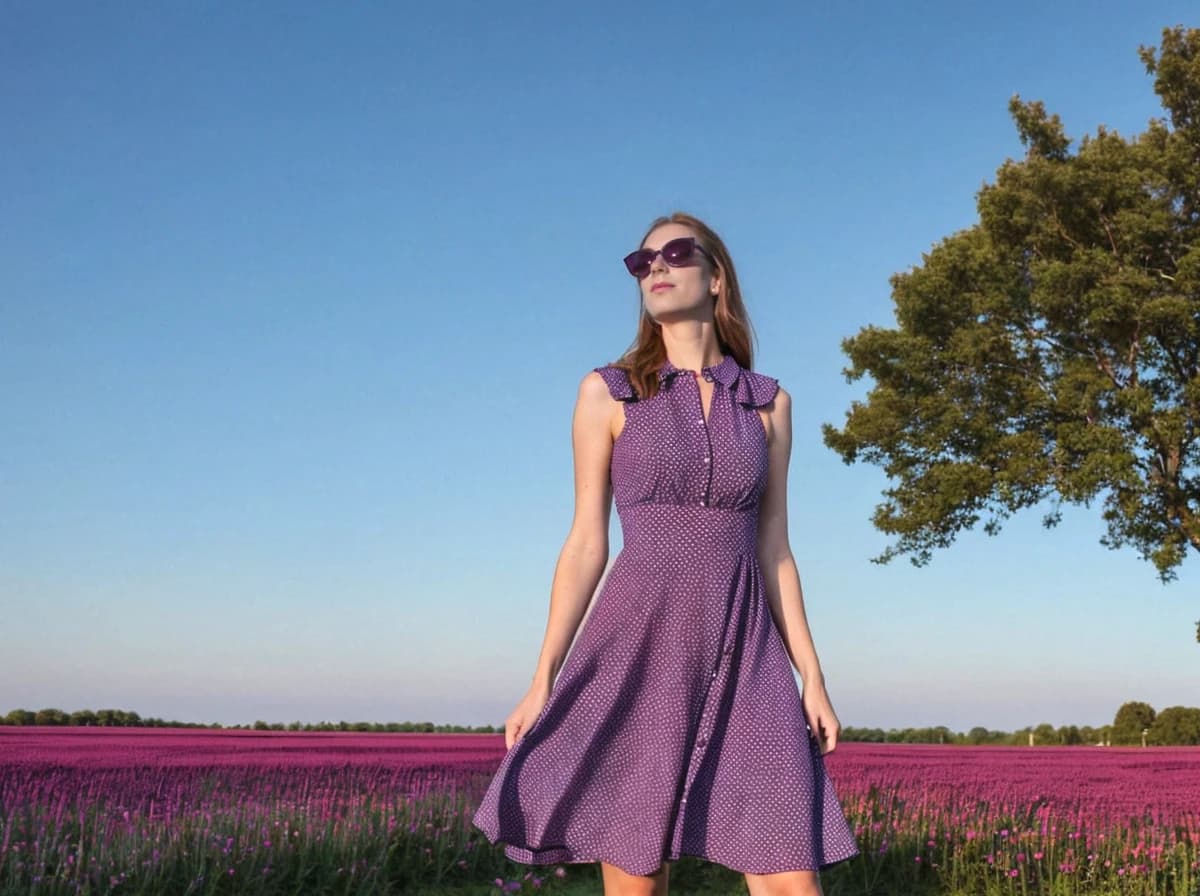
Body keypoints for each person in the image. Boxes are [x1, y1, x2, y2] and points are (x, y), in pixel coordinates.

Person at [472, 212, 860, 896]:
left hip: (749, 650)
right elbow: (587, 541)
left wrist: (814, 676)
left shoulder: (769, 406)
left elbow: (775, 548)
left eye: (675, 254)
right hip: (640, 644)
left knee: (791, 881)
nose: (655, 267)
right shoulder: (609, 392)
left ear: (717, 279)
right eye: (641, 260)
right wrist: (544, 677)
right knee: (639, 880)